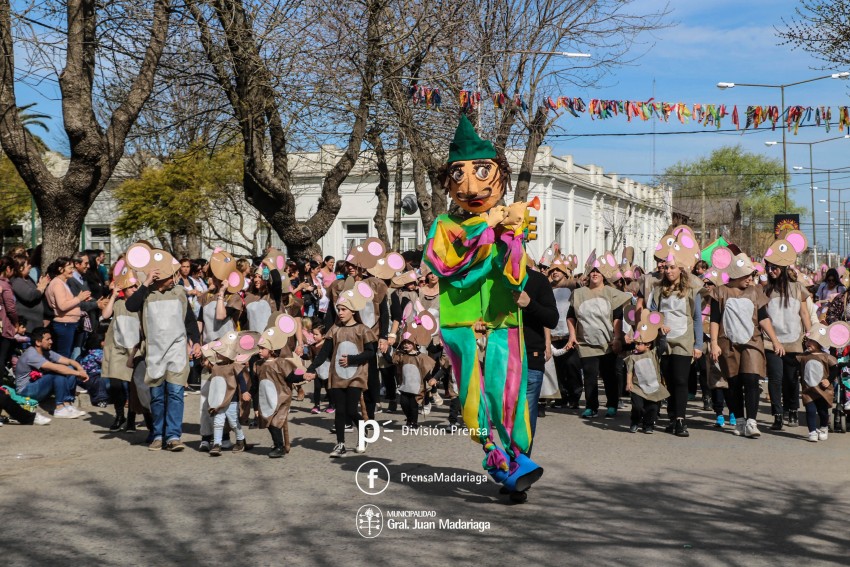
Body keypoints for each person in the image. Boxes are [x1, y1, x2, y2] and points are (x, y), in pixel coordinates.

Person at [124, 242, 201, 452]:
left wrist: (196, 342)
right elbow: (130, 306)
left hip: (176, 351)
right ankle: (158, 434)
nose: (174, 279)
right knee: (157, 396)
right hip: (155, 352)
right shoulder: (146, 294)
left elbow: (190, 320)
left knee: (175, 393)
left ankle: (174, 436)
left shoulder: (179, 292)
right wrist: (146, 284)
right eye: (170, 277)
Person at [709, 247, 783, 439]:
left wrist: (775, 341)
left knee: (751, 380)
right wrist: (714, 343)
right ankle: (739, 420)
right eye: (747, 275)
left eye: (752, 275)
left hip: (752, 342)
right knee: (733, 382)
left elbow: (764, 318)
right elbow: (715, 320)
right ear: (737, 274)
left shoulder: (755, 291)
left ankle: (751, 421)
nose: (751, 279)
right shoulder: (720, 292)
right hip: (729, 343)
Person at [305, 284, 376, 457]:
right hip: (337, 375)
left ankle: (362, 434)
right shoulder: (334, 330)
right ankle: (340, 444)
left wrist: (352, 359)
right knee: (340, 411)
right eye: (338, 309)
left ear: (352, 310)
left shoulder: (362, 330)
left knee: (352, 411)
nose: (340, 312)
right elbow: (323, 353)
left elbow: (370, 352)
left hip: (356, 376)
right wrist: (311, 369)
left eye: (344, 309)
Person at [647, 233, 703, 437]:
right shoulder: (658, 290)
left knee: (680, 380)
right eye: (666, 267)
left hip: (684, 341)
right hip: (664, 342)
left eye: (672, 267)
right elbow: (652, 314)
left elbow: (697, 318)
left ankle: (680, 419)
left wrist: (698, 345)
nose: (669, 271)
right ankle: (672, 417)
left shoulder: (692, 290)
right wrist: (658, 325)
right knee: (669, 380)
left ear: (681, 268)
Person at [567, 255, 632, 419]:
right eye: (592, 271)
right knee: (589, 376)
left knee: (609, 375)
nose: (595, 274)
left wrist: (617, 338)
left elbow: (617, 317)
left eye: (598, 271)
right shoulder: (578, 293)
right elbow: (571, 316)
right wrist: (572, 336)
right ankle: (591, 406)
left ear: (604, 274)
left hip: (607, 342)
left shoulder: (611, 293)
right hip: (586, 342)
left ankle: (612, 405)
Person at [763, 231, 811, 431]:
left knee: (791, 379)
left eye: (775, 267)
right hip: (772, 341)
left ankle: (792, 409)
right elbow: (763, 317)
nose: (772, 270)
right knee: (775, 379)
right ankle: (777, 414)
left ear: (783, 268)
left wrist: (810, 336)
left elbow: (805, 314)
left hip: (794, 341)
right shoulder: (765, 290)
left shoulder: (797, 288)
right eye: (769, 267)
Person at [518, 266, 558, 449]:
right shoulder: (491, 278)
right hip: (501, 359)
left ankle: (521, 463)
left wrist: (530, 304)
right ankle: (510, 459)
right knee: (504, 415)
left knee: (526, 416)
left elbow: (552, 319)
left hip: (530, 358)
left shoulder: (538, 280)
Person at [15, 327, 88, 418]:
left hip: (40, 387)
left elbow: (69, 361)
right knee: (57, 373)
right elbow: (56, 368)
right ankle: (59, 409)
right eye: (48, 339)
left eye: (51, 339)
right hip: (26, 391)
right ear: (38, 342)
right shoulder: (31, 355)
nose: (51, 342)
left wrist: (80, 369)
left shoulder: (47, 352)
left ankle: (68, 405)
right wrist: (78, 374)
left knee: (69, 368)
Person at [624, 310, 668, 434]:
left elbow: (663, 347)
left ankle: (648, 425)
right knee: (637, 406)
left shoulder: (653, 353)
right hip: (637, 387)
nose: (637, 346)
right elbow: (630, 371)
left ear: (648, 344)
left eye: (640, 344)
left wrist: (662, 335)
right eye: (636, 343)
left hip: (653, 386)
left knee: (652, 408)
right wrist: (629, 383)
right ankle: (634, 421)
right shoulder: (633, 356)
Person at [797, 323, 839, 442]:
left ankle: (824, 427)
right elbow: (795, 364)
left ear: (819, 343)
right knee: (810, 410)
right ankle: (812, 432)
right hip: (808, 390)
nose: (808, 343)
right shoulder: (804, 356)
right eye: (807, 340)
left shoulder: (826, 356)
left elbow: (835, 368)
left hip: (822, 390)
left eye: (811, 341)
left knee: (822, 411)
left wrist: (829, 379)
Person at [44, 257, 90, 358]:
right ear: (61, 269)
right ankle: (61, 374)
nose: (72, 271)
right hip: (64, 324)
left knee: (65, 354)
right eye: (70, 268)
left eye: (73, 268)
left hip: (68, 324)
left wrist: (79, 300)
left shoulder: (62, 283)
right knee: (63, 355)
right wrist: (78, 298)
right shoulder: (57, 284)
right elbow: (62, 306)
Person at [10, 255, 49, 333]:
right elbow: (30, 296)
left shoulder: (27, 278)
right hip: (28, 325)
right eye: (28, 264)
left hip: (37, 323)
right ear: (20, 268)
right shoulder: (17, 281)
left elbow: (35, 292)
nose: (30, 266)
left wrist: (39, 286)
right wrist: (41, 287)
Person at [0, 256, 20, 374]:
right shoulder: (5, 285)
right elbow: (10, 309)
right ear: (8, 269)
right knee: (2, 357)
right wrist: (16, 323)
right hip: (3, 326)